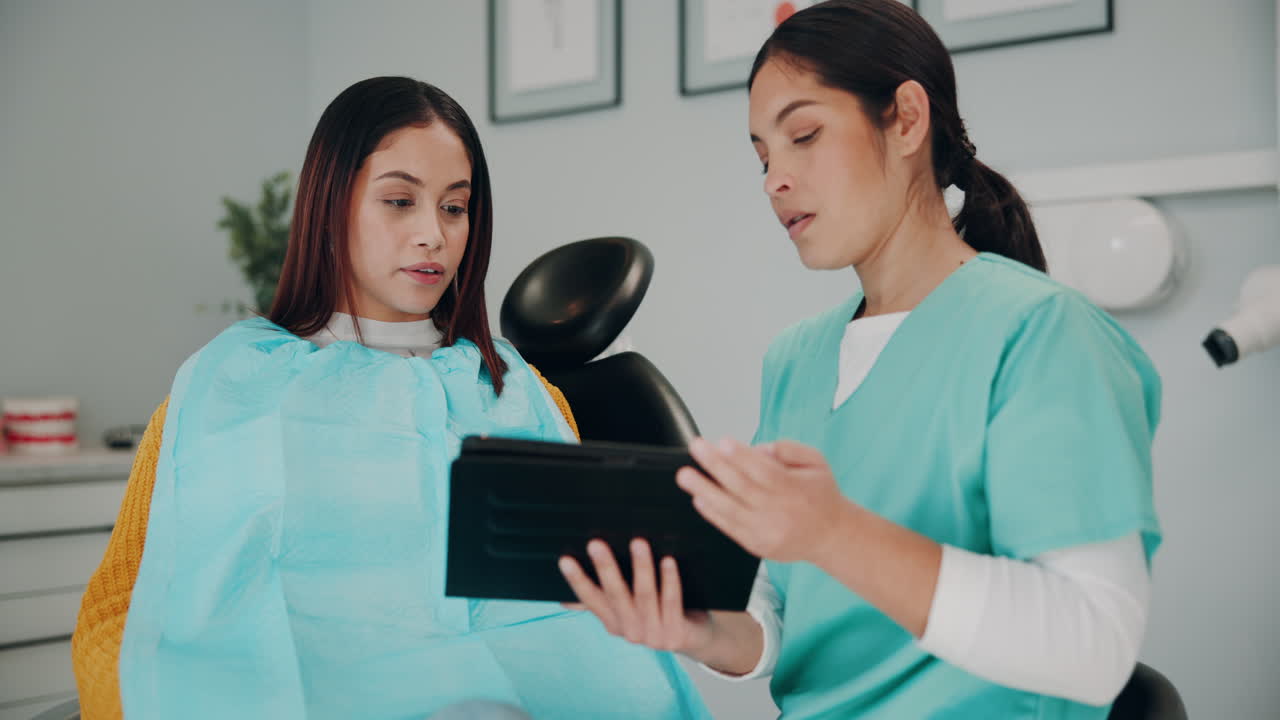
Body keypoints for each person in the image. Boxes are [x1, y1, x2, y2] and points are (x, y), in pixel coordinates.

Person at [559, 3, 1162, 718]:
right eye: (762, 158)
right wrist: (701, 631)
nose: (773, 181)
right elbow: (784, 616)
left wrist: (837, 533)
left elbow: (1094, 648)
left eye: (804, 136)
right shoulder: (798, 358)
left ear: (907, 118)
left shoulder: (1043, 335)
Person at [72, 76, 710, 720]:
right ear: (332, 205)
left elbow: (590, 619)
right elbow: (117, 615)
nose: (433, 234)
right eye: (400, 201)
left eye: (454, 207)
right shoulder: (229, 386)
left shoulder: (524, 395)